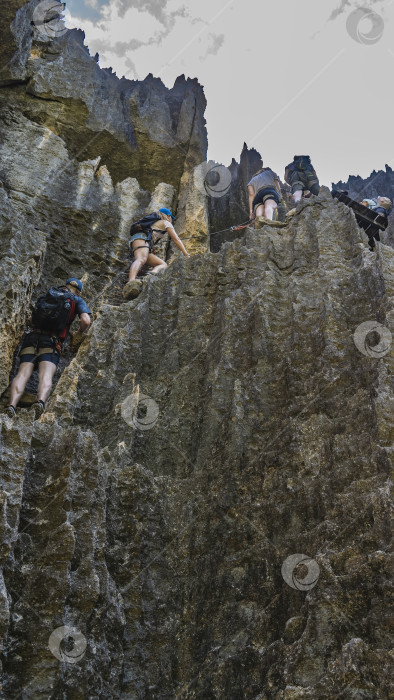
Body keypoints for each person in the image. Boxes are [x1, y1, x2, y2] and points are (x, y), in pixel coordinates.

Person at [4, 278, 91, 419]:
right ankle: (40, 403)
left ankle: (12, 406)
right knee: (45, 375)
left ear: (66, 284)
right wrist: (80, 332)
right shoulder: (76, 300)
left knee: (22, 374)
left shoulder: (50, 294)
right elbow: (86, 321)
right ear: (79, 292)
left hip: (31, 339)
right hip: (51, 343)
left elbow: (32, 319)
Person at [123, 208, 190, 300]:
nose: (171, 220)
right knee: (141, 259)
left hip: (139, 241)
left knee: (162, 264)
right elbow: (176, 239)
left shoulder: (154, 224)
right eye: (171, 218)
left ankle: (150, 274)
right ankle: (131, 282)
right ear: (168, 216)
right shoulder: (166, 223)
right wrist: (186, 253)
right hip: (142, 239)